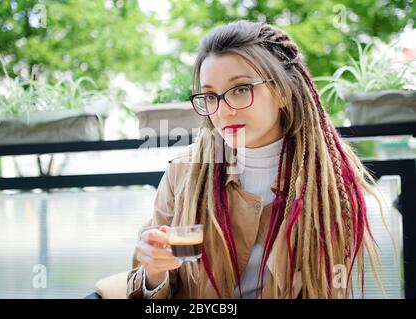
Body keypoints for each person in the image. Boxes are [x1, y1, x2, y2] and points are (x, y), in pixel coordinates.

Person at [97, 20, 385, 299]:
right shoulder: (184, 173)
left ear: (283, 92)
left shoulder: (328, 182)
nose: (223, 111)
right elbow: (144, 290)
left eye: (241, 89)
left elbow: (328, 289)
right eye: (211, 96)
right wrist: (153, 273)